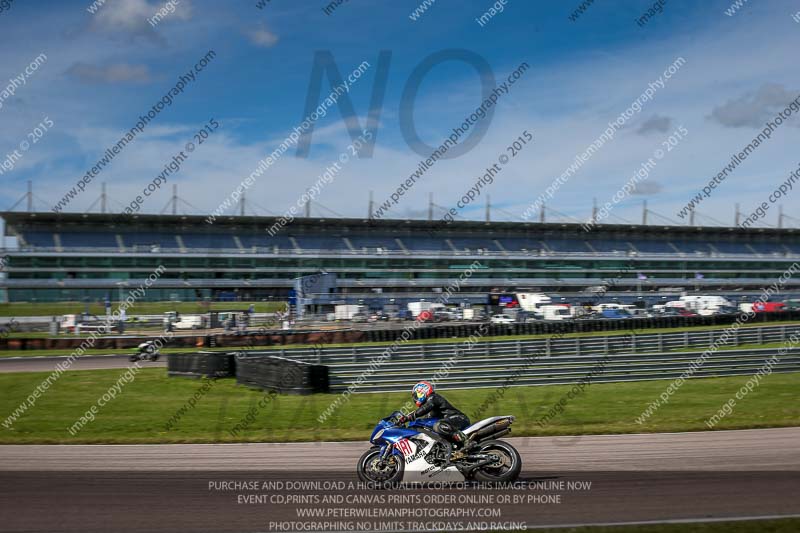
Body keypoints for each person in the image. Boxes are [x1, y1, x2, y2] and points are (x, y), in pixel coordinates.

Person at [397, 381, 471, 453]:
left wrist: (410, 416)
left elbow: (425, 408)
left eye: (417, 395)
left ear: (423, 391)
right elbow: (425, 419)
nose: (416, 398)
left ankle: (466, 441)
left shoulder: (433, 398)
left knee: (439, 425)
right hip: (448, 423)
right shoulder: (429, 410)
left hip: (459, 418)